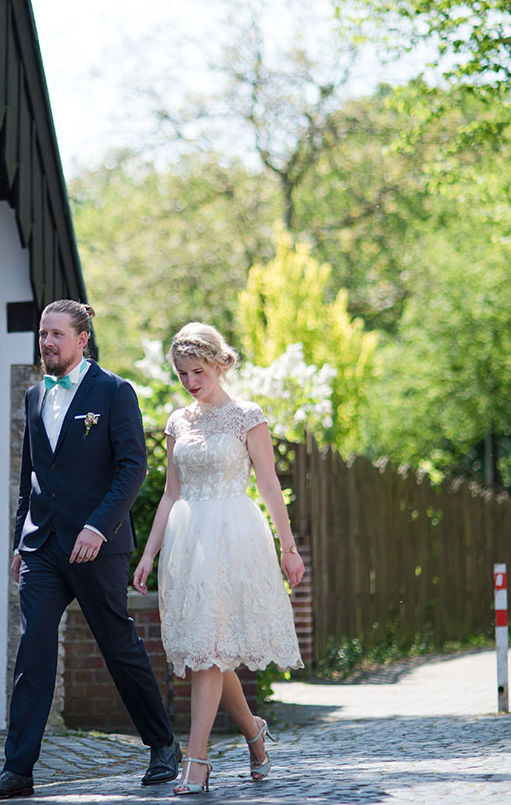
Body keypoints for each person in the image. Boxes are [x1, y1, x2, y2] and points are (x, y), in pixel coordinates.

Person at [0, 300, 181, 799]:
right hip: (42, 547)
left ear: (81, 339)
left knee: (118, 646)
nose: (47, 342)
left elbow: (133, 468)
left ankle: (163, 746)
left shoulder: (114, 392)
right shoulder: (32, 397)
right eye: (43, 334)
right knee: (34, 650)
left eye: (56, 335)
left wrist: (97, 527)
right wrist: (20, 538)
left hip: (97, 546)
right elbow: (30, 475)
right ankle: (17, 771)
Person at [133, 322, 305, 796]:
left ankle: (197, 759)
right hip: (188, 543)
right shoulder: (178, 423)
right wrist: (149, 553)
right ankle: (255, 733)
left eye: (198, 371)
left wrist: (289, 548)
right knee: (208, 649)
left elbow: (269, 486)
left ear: (218, 364)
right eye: (183, 373)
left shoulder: (247, 416)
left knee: (210, 651)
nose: (191, 382)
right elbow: (170, 495)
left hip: (233, 538)